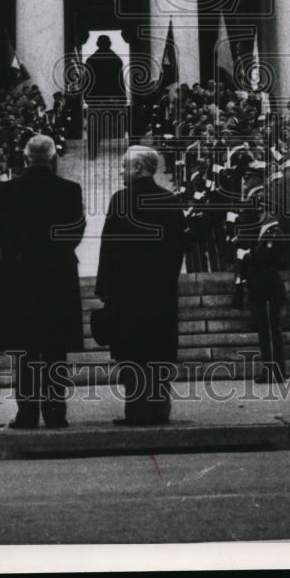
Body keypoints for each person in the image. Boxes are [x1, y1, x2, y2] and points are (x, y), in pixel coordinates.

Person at [0, 134, 86, 429]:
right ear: (53, 156)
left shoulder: (6, 190)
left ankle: (27, 412)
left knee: (25, 349)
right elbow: (75, 231)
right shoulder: (70, 190)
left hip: (20, 275)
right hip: (57, 274)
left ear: (26, 157)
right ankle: (56, 411)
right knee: (55, 347)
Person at [96, 145, 184, 425]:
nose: (121, 172)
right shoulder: (169, 200)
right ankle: (160, 409)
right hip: (160, 291)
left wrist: (105, 288)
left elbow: (109, 248)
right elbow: (177, 248)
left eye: (124, 167)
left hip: (127, 292)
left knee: (132, 352)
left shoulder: (121, 200)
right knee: (159, 350)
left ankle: (137, 410)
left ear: (136, 169)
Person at [241, 219, 288, 384]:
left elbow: (267, 257)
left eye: (263, 208)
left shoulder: (274, 233)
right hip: (261, 290)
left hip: (267, 290)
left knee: (270, 333)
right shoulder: (265, 233)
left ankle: (275, 372)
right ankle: (270, 370)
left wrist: (247, 256)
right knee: (265, 333)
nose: (260, 213)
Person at [84, 35, 127, 159]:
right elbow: (120, 80)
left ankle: (92, 152)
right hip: (113, 97)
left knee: (93, 124)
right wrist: (122, 96)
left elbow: (88, 80)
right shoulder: (116, 59)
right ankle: (119, 148)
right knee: (114, 122)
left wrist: (86, 96)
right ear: (109, 44)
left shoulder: (91, 60)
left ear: (98, 44)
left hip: (95, 98)